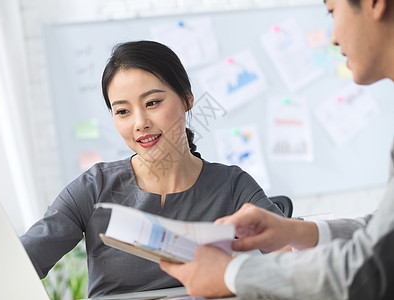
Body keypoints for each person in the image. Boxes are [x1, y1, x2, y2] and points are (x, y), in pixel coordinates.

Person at [160, 0, 394, 299]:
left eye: (332, 12)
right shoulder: (99, 182)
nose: (332, 37)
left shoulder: (231, 180)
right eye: (121, 110)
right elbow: (384, 233)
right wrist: (297, 231)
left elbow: (368, 272)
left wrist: (231, 274)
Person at [20, 40, 283, 297]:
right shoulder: (94, 187)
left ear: (187, 99)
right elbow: (22, 262)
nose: (140, 123)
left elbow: (291, 262)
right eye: (123, 111)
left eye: (152, 103)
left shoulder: (232, 186)